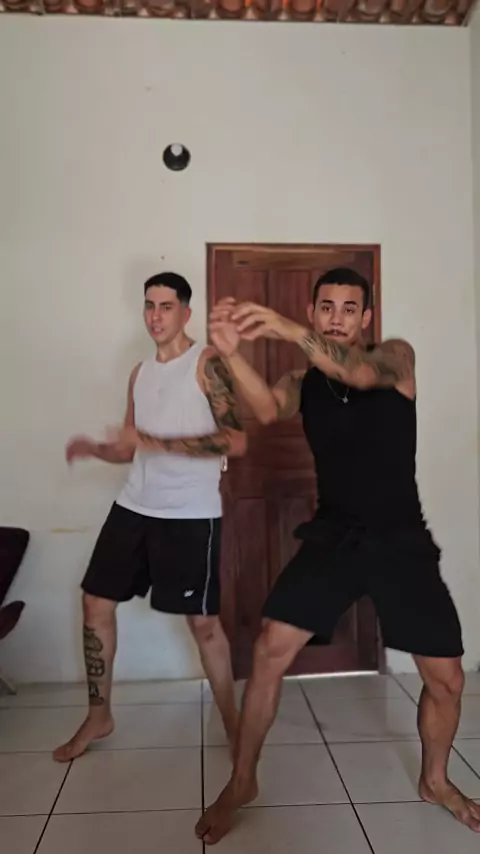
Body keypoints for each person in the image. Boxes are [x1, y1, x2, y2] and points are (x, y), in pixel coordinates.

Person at [195, 267, 479, 844]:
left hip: (400, 538)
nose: (337, 318)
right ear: (314, 310)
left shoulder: (396, 358)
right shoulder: (303, 381)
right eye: (327, 307)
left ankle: (435, 780)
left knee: (447, 678)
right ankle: (243, 781)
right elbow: (265, 410)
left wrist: (281, 327)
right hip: (336, 536)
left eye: (350, 308)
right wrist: (231, 356)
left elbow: (357, 371)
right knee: (270, 649)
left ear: (366, 317)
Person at [53, 272, 246, 763]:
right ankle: (99, 715)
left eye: (166, 306)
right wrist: (96, 449)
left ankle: (234, 725)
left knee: (203, 625)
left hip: (190, 514)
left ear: (186, 312)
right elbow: (129, 447)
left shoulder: (207, 364)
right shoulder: (140, 373)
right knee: (95, 602)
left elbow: (235, 440)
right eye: (149, 306)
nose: (155, 316)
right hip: (135, 505)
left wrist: (153, 442)